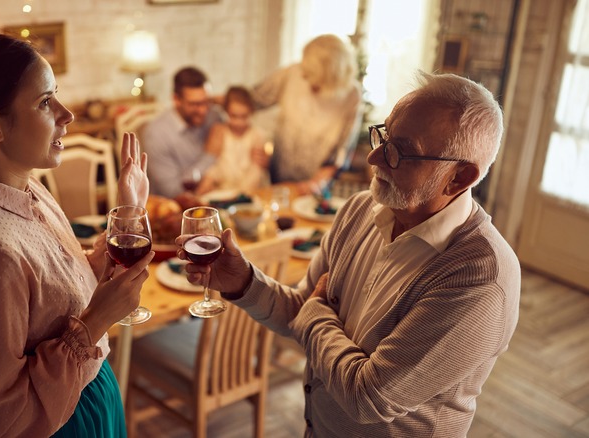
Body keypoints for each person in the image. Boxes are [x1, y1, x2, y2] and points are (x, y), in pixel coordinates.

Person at [178, 72, 521, 437]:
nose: (374, 157)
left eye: (399, 151)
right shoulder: (361, 209)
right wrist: (244, 282)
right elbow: (301, 310)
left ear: (459, 177)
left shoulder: (481, 278)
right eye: (384, 135)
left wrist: (315, 314)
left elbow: (368, 396)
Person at [0, 33, 154, 437]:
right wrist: (96, 322)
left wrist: (127, 216)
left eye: (56, 95)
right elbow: (5, 422)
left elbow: (62, 290)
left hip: (90, 399)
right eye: (44, 102)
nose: (66, 113)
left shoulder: (26, 189)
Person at [253, 34, 362, 194]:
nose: (303, 75)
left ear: (329, 75)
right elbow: (252, 99)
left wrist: (316, 183)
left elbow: (342, 151)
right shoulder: (293, 73)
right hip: (278, 174)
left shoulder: (351, 95)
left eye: (310, 73)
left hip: (316, 186)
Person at [142, 66, 222, 198]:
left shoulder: (214, 116)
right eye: (195, 104)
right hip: (174, 210)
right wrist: (210, 156)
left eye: (206, 102)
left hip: (214, 199)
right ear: (176, 100)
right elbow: (173, 192)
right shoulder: (156, 135)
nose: (203, 111)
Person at [196, 86, 269, 195]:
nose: (239, 122)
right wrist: (208, 180)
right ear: (226, 112)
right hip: (224, 192)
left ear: (251, 112)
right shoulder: (220, 132)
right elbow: (216, 165)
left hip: (251, 192)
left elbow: (256, 170)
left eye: (244, 116)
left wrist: (241, 194)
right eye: (234, 116)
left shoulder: (257, 135)